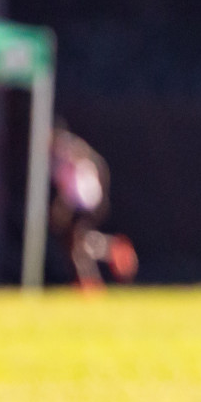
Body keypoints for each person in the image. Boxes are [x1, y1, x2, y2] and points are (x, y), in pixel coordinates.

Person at [50, 124, 138, 289]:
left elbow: (72, 185)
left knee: (77, 243)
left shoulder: (69, 152)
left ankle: (91, 279)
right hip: (78, 205)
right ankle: (108, 253)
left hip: (86, 205)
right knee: (77, 244)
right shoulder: (60, 157)